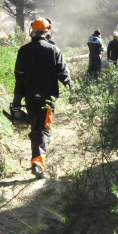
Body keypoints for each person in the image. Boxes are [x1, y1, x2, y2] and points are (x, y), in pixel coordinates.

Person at [12, 17, 74, 179]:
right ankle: (38, 164)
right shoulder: (53, 50)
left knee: (35, 129)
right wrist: (72, 89)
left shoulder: (23, 51)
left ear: (32, 31)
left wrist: (17, 101)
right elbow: (63, 73)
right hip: (47, 99)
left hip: (30, 97)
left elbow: (20, 78)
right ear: (48, 32)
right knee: (44, 130)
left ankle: (36, 161)